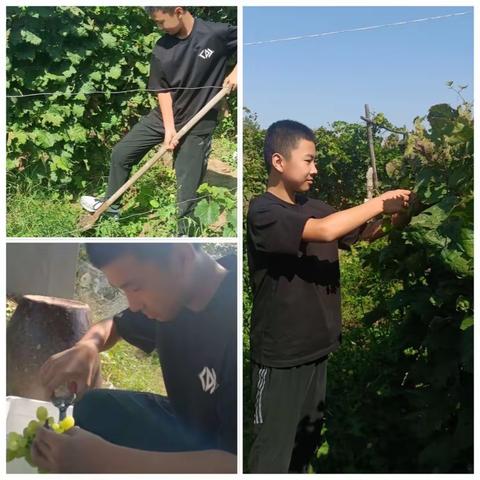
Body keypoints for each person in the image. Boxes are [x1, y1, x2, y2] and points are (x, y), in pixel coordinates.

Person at [246, 120, 413, 473]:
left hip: (318, 347)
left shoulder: (316, 206)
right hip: (282, 355)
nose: (315, 169)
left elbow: (365, 234)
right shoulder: (263, 211)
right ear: (279, 161)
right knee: (271, 454)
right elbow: (325, 231)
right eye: (308, 161)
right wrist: (379, 202)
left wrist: (401, 215)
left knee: (304, 443)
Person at [32, 243, 237, 473]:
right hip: (184, 425)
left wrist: (106, 460)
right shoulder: (174, 294)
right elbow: (114, 326)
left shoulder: (238, 320)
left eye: (136, 287)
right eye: (124, 290)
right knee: (93, 408)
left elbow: (234, 464)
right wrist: (88, 345)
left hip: (221, 455)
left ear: (181, 256)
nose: (133, 305)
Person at [80, 7, 237, 234]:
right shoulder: (162, 48)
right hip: (165, 116)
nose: (159, 28)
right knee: (122, 153)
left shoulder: (215, 34)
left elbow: (250, 40)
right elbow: (162, 90)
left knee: (186, 184)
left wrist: (237, 71)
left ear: (178, 11)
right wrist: (169, 129)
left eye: (161, 22)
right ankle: (111, 206)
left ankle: (184, 233)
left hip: (199, 122)